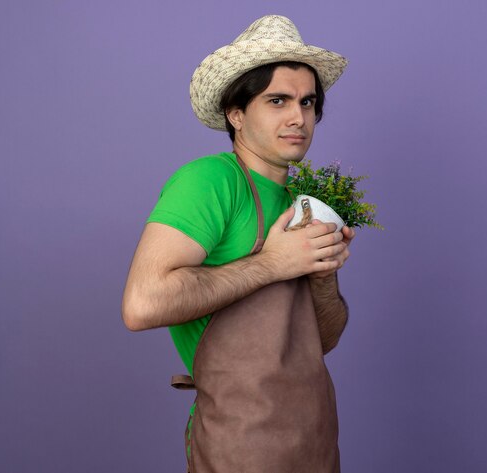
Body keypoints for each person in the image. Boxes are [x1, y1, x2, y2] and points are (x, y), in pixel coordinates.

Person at [122, 15, 354, 473]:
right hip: (239, 446)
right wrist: (272, 264)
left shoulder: (301, 205)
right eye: (278, 100)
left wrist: (322, 274)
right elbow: (142, 304)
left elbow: (319, 341)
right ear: (236, 113)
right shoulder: (212, 181)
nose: (298, 117)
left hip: (314, 441)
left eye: (307, 102)